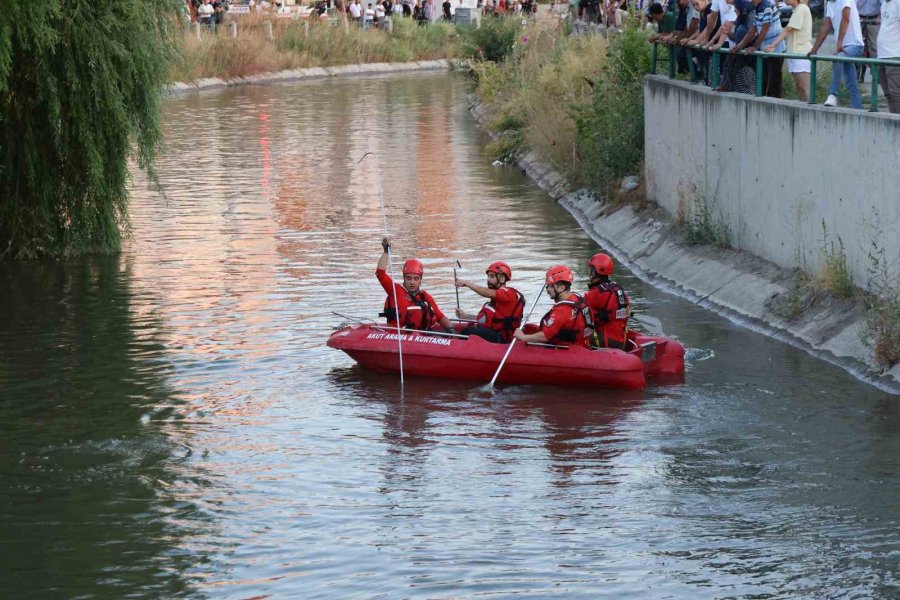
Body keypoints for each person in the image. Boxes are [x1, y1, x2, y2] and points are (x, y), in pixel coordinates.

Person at [376, 238, 453, 332]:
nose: (412, 282)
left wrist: (452, 330)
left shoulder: (425, 297)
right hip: (398, 336)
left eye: (416, 279)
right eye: (409, 278)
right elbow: (380, 274)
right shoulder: (395, 291)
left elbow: (440, 317)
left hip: (422, 336)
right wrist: (386, 252)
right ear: (404, 278)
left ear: (420, 280)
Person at [513, 266, 592, 347]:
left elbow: (545, 337)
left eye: (551, 286)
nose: (547, 290)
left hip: (567, 349)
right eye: (547, 286)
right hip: (581, 344)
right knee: (528, 328)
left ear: (561, 288)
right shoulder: (577, 298)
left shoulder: (562, 310)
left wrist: (523, 337)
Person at [809, 0, 865, 108]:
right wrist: (814, 50)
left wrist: (839, 43)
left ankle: (833, 94)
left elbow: (846, 18)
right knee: (851, 84)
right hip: (843, 48)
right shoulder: (830, 4)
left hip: (855, 45)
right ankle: (859, 110)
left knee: (838, 58)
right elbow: (825, 28)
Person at [455, 262, 526, 343]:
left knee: (467, 331)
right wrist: (465, 316)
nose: (488, 279)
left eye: (492, 276)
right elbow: (487, 320)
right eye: (488, 276)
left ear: (502, 279)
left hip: (502, 338)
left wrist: (467, 283)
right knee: (469, 329)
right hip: (495, 333)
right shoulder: (498, 298)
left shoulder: (508, 293)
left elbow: (488, 293)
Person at [731, 0, 786, 97]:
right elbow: (753, 29)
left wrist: (755, 47)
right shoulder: (757, 8)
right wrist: (739, 46)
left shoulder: (767, 6)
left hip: (776, 50)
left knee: (774, 82)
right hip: (765, 50)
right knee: (763, 80)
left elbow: (765, 28)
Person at [764, 0, 813, 101]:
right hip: (794, 53)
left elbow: (788, 29)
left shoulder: (801, 8)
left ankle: (811, 108)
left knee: (805, 88)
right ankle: (803, 107)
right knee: (799, 87)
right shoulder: (796, 9)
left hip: (801, 53)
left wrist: (773, 44)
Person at [582, 253, 631, 350]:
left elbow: (580, 316)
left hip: (604, 341)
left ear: (594, 272)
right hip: (621, 341)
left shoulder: (595, 293)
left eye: (590, 269)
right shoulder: (618, 289)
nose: (589, 272)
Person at [879, 0, 900, 112]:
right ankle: (892, 118)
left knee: (895, 92)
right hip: (882, 55)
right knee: (888, 93)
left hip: (894, 55)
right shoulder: (884, 5)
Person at [857, 0, 882, 82]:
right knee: (858, 46)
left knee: (875, 47)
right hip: (859, 19)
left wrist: (880, 17)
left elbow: (883, 4)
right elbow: (853, 4)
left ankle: (876, 74)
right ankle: (857, 74)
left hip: (874, 20)